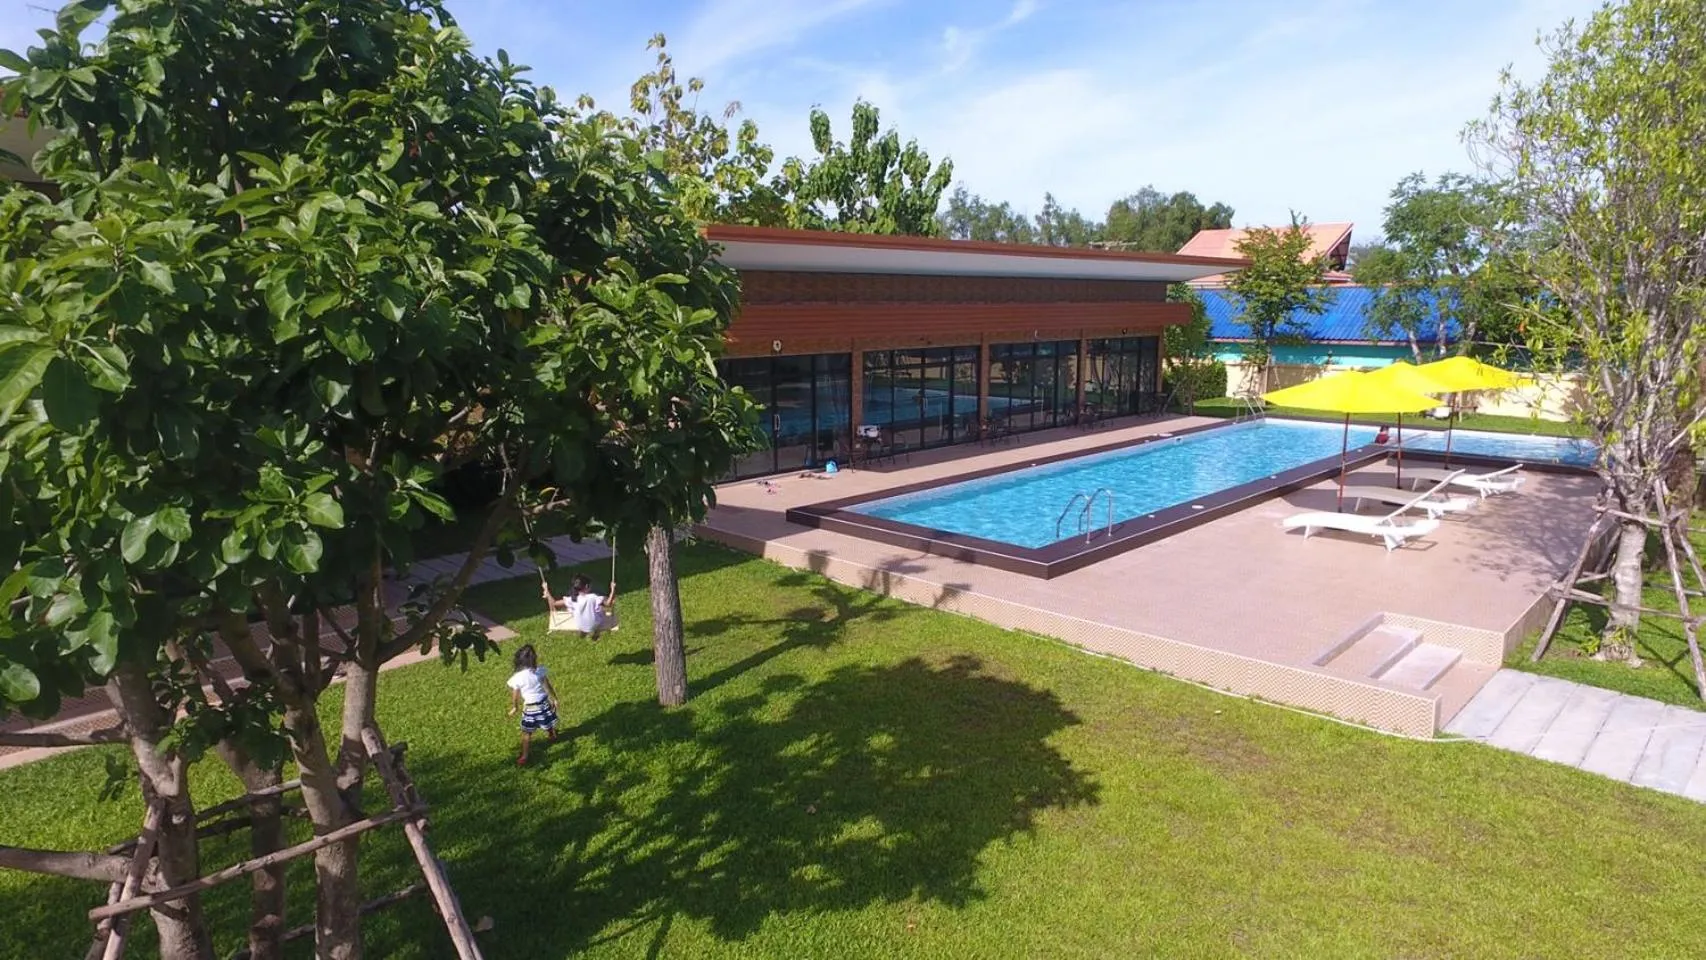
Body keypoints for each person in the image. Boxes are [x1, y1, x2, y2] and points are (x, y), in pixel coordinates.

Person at [505, 644, 558, 766]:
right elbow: (548, 686)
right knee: (546, 720)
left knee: (527, 732)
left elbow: (515, 694)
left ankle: (524, 756)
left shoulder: (517, 678)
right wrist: (554, 698)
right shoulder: (539, 671)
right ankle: (551, 734)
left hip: (530, 708)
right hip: (544, 704)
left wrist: (515, 707)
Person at [561, 573, 618, 639]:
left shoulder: (572, 599)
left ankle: (583, 633)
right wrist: (612, 590)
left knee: (581, 614)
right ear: (587, 586)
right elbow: (608, 604)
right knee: (602, 611)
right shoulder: (593, 597)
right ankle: (596, 635)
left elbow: (554, 603)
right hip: (594, 625)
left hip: (580, 625)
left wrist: (547, 594)